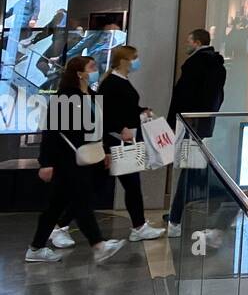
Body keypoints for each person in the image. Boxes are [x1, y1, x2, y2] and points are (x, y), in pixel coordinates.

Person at [26, 57, 125, 264]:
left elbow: (99, 128)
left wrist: (105, 150)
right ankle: (98, 245)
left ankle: (36, 247)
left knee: (56, 205)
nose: (96, 70)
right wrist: (46, 162)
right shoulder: (65, 97)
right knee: (81, 201)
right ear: (79, 73)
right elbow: (51, 131)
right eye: (91, 67)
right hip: (67, 159)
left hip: (86, 156)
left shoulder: (92, 96)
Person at [164, 29, 227, 237]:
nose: (186, 44)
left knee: (191, 170)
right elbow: (218, 97)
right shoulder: (217, 65)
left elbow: (181, 97)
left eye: (188, 41)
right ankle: (176, 214)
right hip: (202, 125)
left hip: (189, 124)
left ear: (198, 42)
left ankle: (175, 217)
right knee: (192, 168)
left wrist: (172, 121)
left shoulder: (194, 65)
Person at [98, 45, 164, 242]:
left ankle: (139, 225)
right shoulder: (111, 83)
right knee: (119, 184)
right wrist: (120, 128)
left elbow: (126, 108)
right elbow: (107, 113)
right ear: (124, 60)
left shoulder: (122, 81)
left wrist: (142, 111)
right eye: (134, 58)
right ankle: (138, 226)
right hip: (117, 141)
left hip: (126, 139)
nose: (137, 61)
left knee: (131, 184)